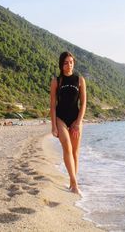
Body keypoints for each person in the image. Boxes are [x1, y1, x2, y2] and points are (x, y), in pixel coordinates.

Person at [50, 51, 87, 195]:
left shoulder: (80, 80)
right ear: (61, 64)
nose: (69, 65)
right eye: (66, 62)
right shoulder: (56, 81)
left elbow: (83, 103)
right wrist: (53, 126)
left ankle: (72, 182)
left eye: (71, 62)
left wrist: (78, 122)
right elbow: (53, 105)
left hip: (75, 119)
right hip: (61, 119)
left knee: (75, 152)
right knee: (67, 148)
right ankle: (75, 184)